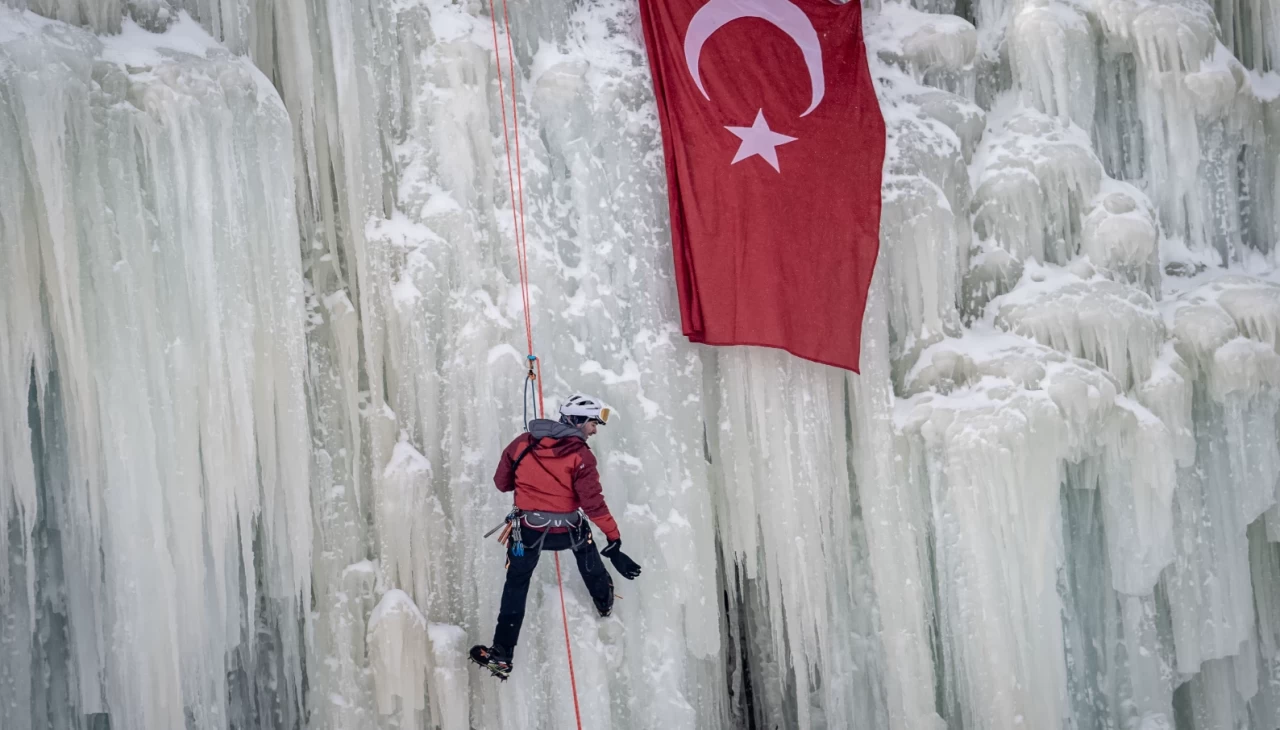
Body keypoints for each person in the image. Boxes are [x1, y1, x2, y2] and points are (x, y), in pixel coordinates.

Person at [470, 394, 643, 680]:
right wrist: (614, 540)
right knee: (588, 556)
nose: (595, 430)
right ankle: (604, 604)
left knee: (516, 584)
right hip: (569, 531)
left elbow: (502, 483)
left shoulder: (522, 444)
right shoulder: (581, 455)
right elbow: (593, 504)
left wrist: (530, 482)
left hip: (528, 532)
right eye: (592, 423)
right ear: (575, 421)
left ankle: (501, 655)